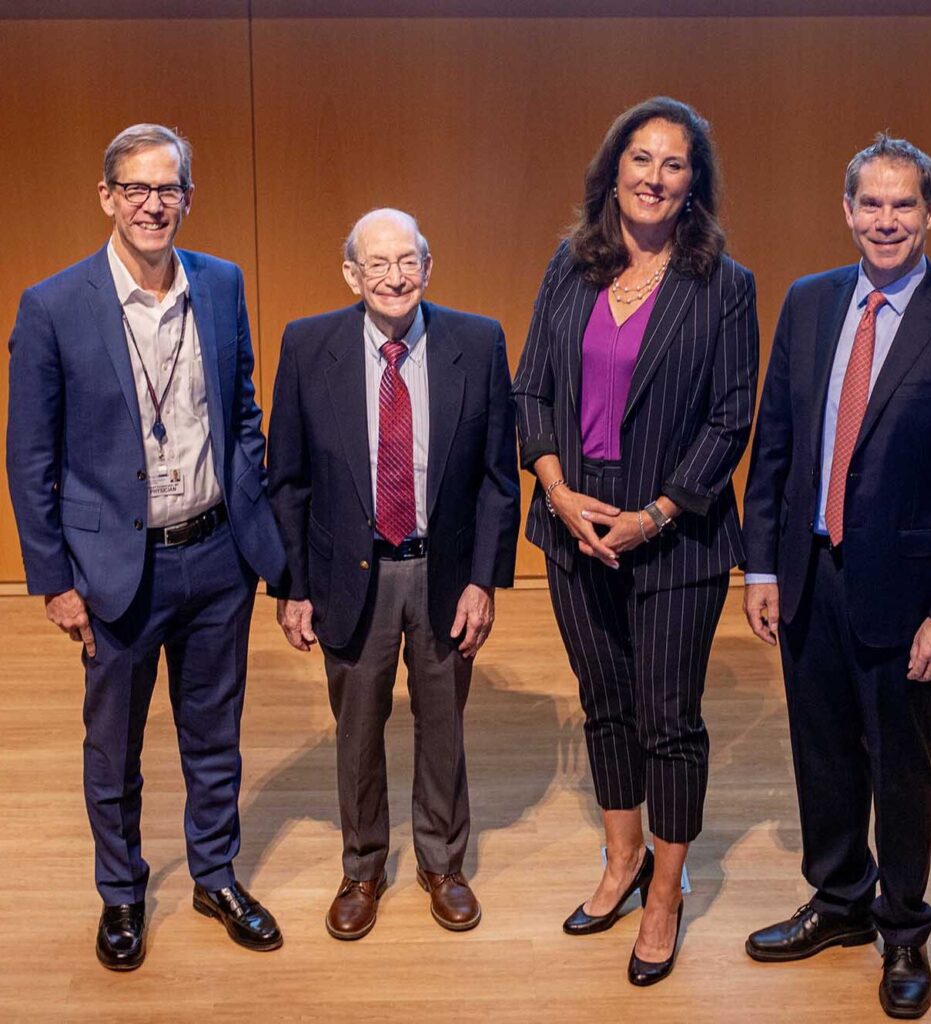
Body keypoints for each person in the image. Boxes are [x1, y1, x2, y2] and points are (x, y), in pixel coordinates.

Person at [742, 134, 931, 1019]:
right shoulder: (810, 302)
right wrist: (760, 564)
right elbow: (775, 444)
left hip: (904, 596)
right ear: (848, 211)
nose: (887, 220)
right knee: (820, 755)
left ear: (930, 213)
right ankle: (840, 901)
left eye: (904, 205)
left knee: (899, 767)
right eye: (872, 204)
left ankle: (903, 926)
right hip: (807, 576)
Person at [6, 124, 288, 970]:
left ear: (188, 199)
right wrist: (55, 580)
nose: (152, 204)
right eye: (135, 188)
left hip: (216, 557)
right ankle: (121, 893)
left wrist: (254, 537)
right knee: (113, 747)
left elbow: (242, 417)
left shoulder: (225, 285)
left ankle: (214, 873)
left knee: (214, 734)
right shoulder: (52, 305)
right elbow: (30, 457)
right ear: (107, 197)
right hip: (112, 571)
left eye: (168, 189)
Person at [513, 96, 758, 986]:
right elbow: (530, 390)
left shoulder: (724, 284)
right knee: (603, 701)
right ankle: (618, 863)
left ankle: (664, 891)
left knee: (669, 719)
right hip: (572, 526)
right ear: (612, 171)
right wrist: (554, 486)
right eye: (641, 159)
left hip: (675, 538)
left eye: (675, 164)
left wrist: (657, 511)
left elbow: (731, 420)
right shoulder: (570, 265)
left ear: (695, 184)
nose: (655, 177)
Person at [267, 208, 519, 940]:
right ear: (351, 274)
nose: (393, 277)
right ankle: (363, 866)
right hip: (352, 574)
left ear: (428, 267)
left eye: (406, 261)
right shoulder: (310, 345)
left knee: (443, 726)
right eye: (376, 264)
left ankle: (442, 863)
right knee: (357, 728)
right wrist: (293, 585)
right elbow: (286, 479)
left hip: (443, 571)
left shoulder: (477, 340)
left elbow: (499, 481)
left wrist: (484, 580)